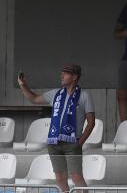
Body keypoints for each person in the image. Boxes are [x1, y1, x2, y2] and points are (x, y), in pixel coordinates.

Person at [18, 64, 95, 192]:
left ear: (75, 76)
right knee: (59, 178)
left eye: (65, 73)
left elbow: (91, 122)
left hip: (72, 143)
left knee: (76, 177)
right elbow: (34, 99)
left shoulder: (84, 95)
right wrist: (23, 85)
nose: (61, 75)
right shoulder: (55, 93)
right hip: (53, 142)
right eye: (62, 72)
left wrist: (80, 142)